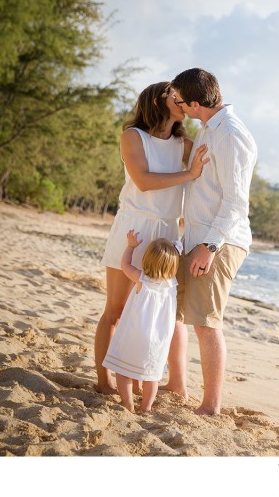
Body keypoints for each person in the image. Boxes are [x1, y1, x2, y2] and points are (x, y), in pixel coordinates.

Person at [95, 81, 209, 395]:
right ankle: (104, 383)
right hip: (134, 227)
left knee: (163, 312)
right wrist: (189, 174)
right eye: (175, 94)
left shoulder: (184, 145)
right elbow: (143, 181)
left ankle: (170, 383)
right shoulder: (133, 136)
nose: (181, 99)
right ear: (158, 100)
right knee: (116, 310)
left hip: (169, 236)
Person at [161, 68, 257, 415]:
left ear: (196, 102)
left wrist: (211, 246)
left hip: (220, 242)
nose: (178, 106)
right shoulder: (207, 129)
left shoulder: (231, 135)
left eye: (180, 101)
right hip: (197, 238)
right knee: (179, 313)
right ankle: (177, 384)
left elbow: (236, 202)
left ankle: (211, 405)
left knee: (206, 323)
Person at [102, 231, 180, 412]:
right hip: (158, 340)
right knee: (152, 376)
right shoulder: (173, 286)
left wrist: (131, 246)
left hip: (135, 333)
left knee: (123, 370)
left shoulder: (142, 279)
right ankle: (146, 407)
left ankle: (128, 402)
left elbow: (125, 264)